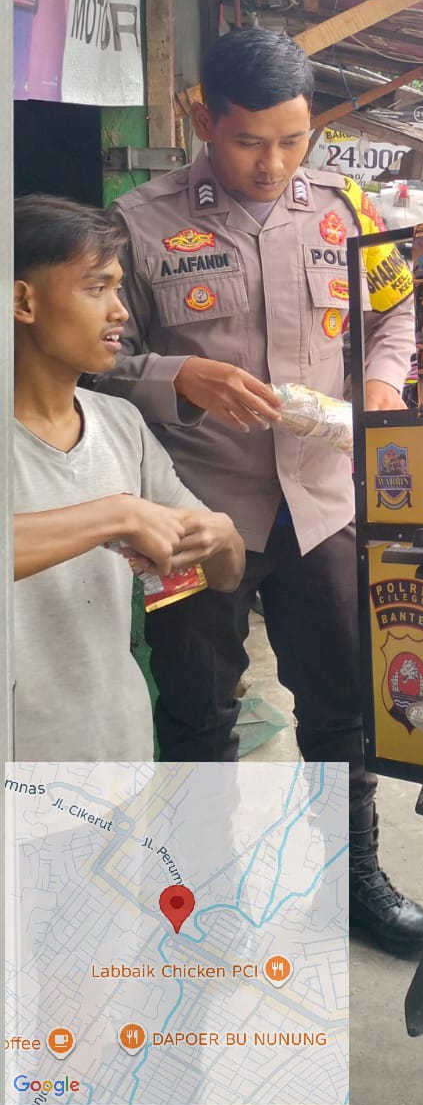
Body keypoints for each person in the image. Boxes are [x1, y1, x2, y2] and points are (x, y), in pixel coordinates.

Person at [97, 26, 423, 956]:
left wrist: (383, 383)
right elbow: (94, 357)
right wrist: (176, 374)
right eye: (250, 141)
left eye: (294, 139)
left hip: (323, 507)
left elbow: (396, 310)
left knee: (342, 708)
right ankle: (199, 896)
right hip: (196, 514)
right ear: (202, 117)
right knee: (197, 708)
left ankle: (352, 881)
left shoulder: (347, 210)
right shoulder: (141, 223)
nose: (273, 163)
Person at [12, 195, 244, 761]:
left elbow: (225, 576)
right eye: (96, 288)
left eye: (117, 288)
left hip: (119, 750)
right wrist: (115, 514)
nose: (119, 311)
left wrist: (221, 536)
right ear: (22, 301)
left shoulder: (121, 425)